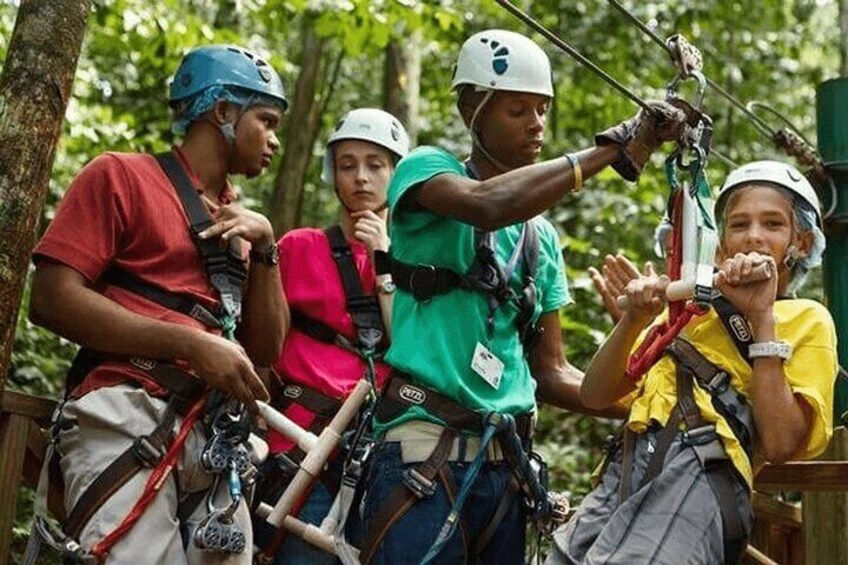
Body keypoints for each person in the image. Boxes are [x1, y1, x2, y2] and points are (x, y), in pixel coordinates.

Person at [357, 29, 687, 564]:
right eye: (518, 110)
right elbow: (489, 205)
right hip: (423, 453)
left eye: (542, 110)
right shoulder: (424, 173)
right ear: (472, 108)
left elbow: (552, 373)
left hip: (504, 468)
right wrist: (613, 148)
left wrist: (645, 404)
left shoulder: (541, 241)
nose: (537, 124)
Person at [29, 45, 288, 562]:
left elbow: (267, 348)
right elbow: (52, 299)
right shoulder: (120, 177)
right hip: (126, 413)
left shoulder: (242, 229)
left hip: (214, 439)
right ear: (222, 112)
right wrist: (189, 344)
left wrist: (266, 250)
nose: (275, 139)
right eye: (266, 121)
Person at [548, 160, 837, 565]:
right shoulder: (686, 313)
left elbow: (780, 443)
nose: (753, 236)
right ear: (719, 247)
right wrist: (635, 319)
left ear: (801, 244)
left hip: (701, 471)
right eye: (739, 225)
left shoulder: (807, 320)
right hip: (626, 469)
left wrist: (763, 318)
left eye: (772, 224)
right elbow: (595, 395)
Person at [253, 108, 410, 564]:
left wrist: (382, 257)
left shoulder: (411, 259)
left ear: (397, 175)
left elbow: (408, 345)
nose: (361, 178)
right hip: (297, 445)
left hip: (377, 455)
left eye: (375, 165)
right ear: (332, 174)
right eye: (347, 165)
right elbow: (261, 340)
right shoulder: (299, 247)